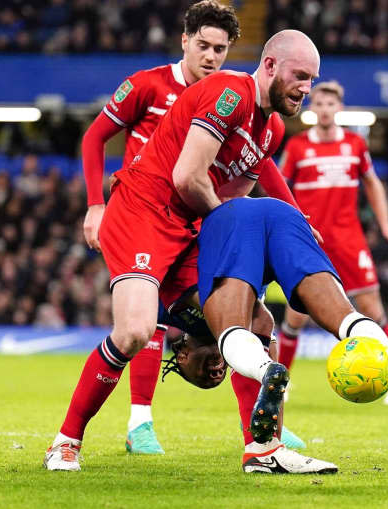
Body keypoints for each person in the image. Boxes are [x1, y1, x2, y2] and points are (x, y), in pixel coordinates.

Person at [45, 29, 326, 473]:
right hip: (142, 210)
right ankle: (66, 441)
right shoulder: (230, 93)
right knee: (135, 331)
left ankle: (263, 450)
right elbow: (188, 179)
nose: (306, 88)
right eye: (300, 76)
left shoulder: (270, 129)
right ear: (270, 65)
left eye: (312, 79)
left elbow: (231, 197)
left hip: (188, 227)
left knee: (257, 319)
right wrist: (232, 239)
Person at [182, 196, 388, 473]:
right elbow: (263, 321)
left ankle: (266, 376)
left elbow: (136, 331)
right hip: (284, 212)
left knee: (231, 331)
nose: (214, 371)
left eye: (203, 374)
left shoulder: (163, 299)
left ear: (182, 354)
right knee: (346, 318)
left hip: (229, 221)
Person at [276, 80, 388, 405]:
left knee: (373, 309)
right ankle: (281, 382)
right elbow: (278, 186)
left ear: (340, 109)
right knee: (296, 317)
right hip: (310, 242)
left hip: (349, 239)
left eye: (330, 105)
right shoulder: (297, 147)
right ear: (311, 109)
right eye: (318, 104)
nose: (324, 110)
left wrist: (387, 226)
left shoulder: (354, 144)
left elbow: (373, 184)